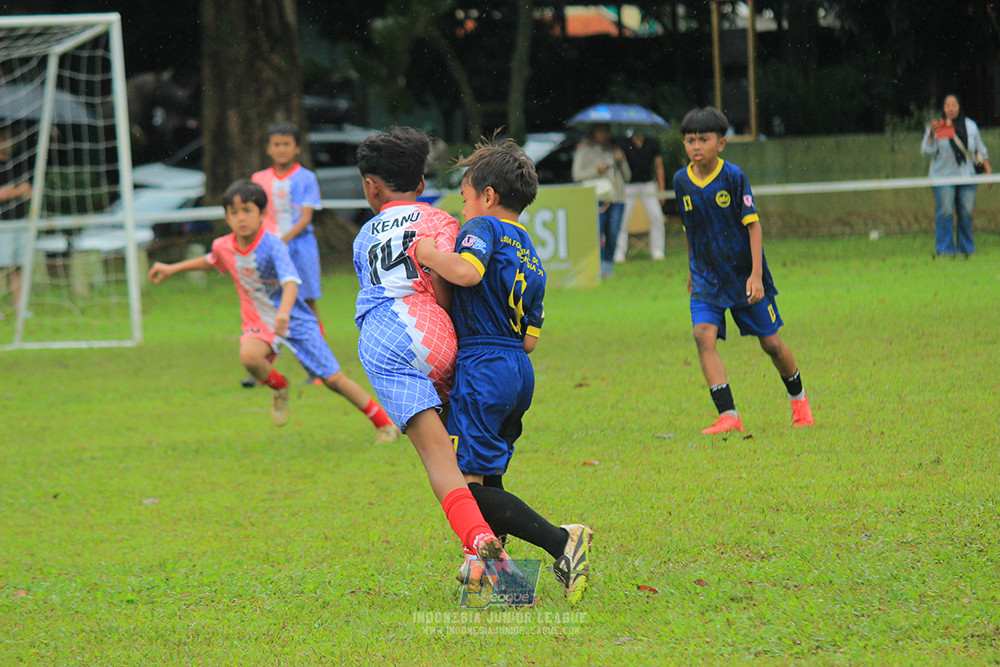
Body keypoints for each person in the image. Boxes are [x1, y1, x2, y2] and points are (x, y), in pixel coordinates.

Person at [413, 137, 594, 605]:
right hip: (518, 368)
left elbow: (468, 273)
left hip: (483, 365)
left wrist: (430, 255)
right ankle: (505, 585)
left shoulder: (483, 230)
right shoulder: (531, 250)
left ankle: (562, 541)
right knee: (486, 477)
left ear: (488, 197)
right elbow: (532, 337)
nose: (464, 207)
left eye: (467, 197)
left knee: (466, 488)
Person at [352, 127, 509, 571]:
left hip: (386, 339)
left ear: (371, 186)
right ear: (421, 185)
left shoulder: (364, 235)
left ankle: (479, 543)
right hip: (438, 335)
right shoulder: (441, 219)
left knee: (437, 458)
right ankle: (488, 564)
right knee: (465, 451)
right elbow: (443, 285)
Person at [148, 179, 398, 444]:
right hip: (259, 321)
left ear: (262, 214)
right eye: (234, 213)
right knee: (249, 357)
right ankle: (280, 387)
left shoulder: (272, 245)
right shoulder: (224, 245)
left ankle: (384, 424)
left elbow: (290, 283)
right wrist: (171, 269)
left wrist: (284, 314)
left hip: (296, 320)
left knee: (333, 379)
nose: (241, 218)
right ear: (227, 218)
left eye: (247, 210)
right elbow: (211, 260)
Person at [673, 107, 813, 434]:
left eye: (703, 139)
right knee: (702, 335)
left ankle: (800, 401)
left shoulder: (733, 177)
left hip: (742, 277)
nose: (696, 146)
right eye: (690, 140)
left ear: (721, 143)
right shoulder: (681, 181)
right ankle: (729, 416)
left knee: (772, 344)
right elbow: (690, 229)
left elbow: (753, 227)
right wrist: (692, 268)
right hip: (707, 278)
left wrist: (755, 276)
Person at [252, 123, 325, 325]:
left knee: (308, 299)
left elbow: (305, 217)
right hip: (269, 247)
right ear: (268, 148)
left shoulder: (307, 178)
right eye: (276, 144)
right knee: (269, 299)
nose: (281, 149)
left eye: (286, 144)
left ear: (297, 148)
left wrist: (284, 239)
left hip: (301, 246)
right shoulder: (259, 179)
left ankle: (320, 348)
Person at [920, 94, 991, 257]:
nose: (951, 108)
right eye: (947, 105)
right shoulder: (938, 126)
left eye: (954, 104)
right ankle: (945, 250)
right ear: (943, 108)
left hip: (967, 176)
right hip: (943, 177)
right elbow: (926, 151)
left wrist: (987, 170)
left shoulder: (970, 126)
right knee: (945, 212)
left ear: (959, 106)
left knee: (965, 212)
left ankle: (967, 248)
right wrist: (931, 134)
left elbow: (979, 149)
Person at [571, 122, 631, 278]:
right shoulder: (584, 150)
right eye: (600, 131)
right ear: (593, 132)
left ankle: (607, 266)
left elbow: (627, 176)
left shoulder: (615, 149)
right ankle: (594, 267)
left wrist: (622, 160)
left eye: (607, 131)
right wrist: (596, 170)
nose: (604, 135)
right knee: (596, 233)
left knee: (613, 232)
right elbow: (577, 175)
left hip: (617, 197)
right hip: (596, 198)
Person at [613, 129, 667, 263]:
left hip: (648, 184)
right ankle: (619, 252)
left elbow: (659, 166)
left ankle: (657, 250)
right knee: (622, 219)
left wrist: (661, 189)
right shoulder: (622, 143)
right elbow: (617, 168)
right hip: (628, 186)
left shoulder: (652, 143)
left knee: (656, 217)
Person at [0, 127, 32, 318]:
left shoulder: (16, 164)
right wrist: (15, 191)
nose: (5, 142)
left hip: (19, 221)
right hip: (2, 225)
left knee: (17, 266)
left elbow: (28, 188)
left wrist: (23, 191)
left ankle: (19, 308)